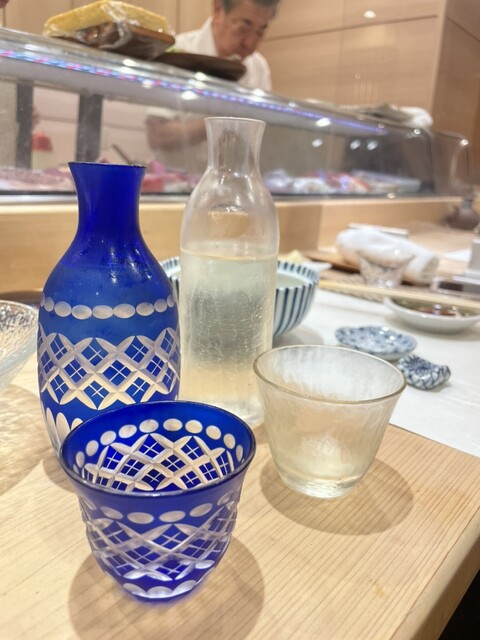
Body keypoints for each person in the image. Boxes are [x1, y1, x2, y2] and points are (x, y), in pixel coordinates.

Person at [145, 0, 281, 172]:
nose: (251, 45)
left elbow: (262, 142)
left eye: (261, 32)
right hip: (177, 180)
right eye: (243, 28)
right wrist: (225, 122)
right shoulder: (178, 53)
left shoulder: (258, 67)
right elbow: (158, 136)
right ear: (218, 9)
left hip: (233, 181)